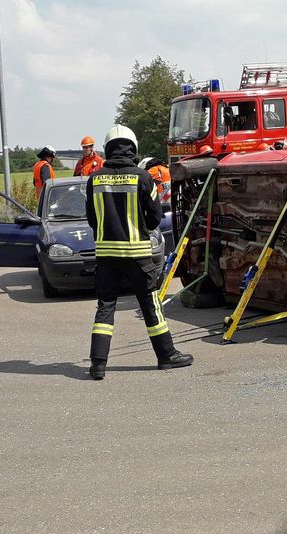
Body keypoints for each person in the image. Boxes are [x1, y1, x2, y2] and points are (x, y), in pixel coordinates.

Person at [85, 125, 193, 380]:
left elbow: (92, 219)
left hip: (106, 255)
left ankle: (98, 364)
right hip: (138, 254)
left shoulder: (95, 179)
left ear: (108, 147)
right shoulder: (143, 177)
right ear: (132, 147)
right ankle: (166, 355)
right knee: (149, 304)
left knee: (105, 306)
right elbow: (155, 219)